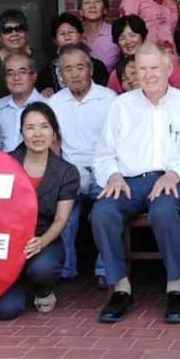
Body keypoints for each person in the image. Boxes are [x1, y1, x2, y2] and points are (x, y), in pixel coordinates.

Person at [91, 41, 180, 324]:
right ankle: (121, 288)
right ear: (133, 73)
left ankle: (175, 287)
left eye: (154, 67)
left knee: (164, 211)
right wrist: (114, 175)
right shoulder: (121, 105)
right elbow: (105, 152)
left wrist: (175, 174)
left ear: (168, 68)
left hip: (172, 179)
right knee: (102, 213)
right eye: (142, 69)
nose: (149, 74)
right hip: (130, 181)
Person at [0, 102, 78, 319]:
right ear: (21, 133)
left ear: (54, 133)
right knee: (4, 311)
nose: (37, 134)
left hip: (42, 238)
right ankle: (16, 284)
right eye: (30, 128)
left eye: (44, 126)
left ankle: (43, 289)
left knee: (43, 268)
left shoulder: (67, 172)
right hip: (6, 242)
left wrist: (41, 242)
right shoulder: (4, 163)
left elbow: (61, 219)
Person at [48, 43, 117, 282]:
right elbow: (53, 143)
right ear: (61, 74)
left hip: (103, 169)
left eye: (80, 67)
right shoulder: (54, 103)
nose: (75, 73)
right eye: (68, 69)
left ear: (90, 70)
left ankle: (104, 270)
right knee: (64, 218)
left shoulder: (109, 99)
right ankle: (65, 270)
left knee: (107, 213)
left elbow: (117, 140)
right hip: (70, 170)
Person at [106, 15, 180, 93]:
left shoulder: (165, 61)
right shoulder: (117, 73)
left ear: (143, 36)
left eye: (132, 35)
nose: (128, 41)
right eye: (122, 38)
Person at [37, 12, 109, 97]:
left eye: (71, 32)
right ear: (55, 40)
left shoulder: (97, 66)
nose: (67, 37)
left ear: (81, 35)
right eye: (62, 34)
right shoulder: (47, 72)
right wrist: (45, 91)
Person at [0, 9, 45, 106]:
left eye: (19, 29)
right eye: (8, 30)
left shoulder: (41, 59)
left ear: (26, 33)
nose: (14, 34)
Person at [0, 53, 46, 152]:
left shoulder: (48, 106)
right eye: (10, 73)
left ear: (33, 76)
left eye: (22, 72)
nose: (16, 78)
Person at [78, 0, 120, 72]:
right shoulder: (75, 35)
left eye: (97, 1)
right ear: (81, 11)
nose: (92, 6)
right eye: (87, 2)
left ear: (105, 10)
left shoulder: (115, 32)